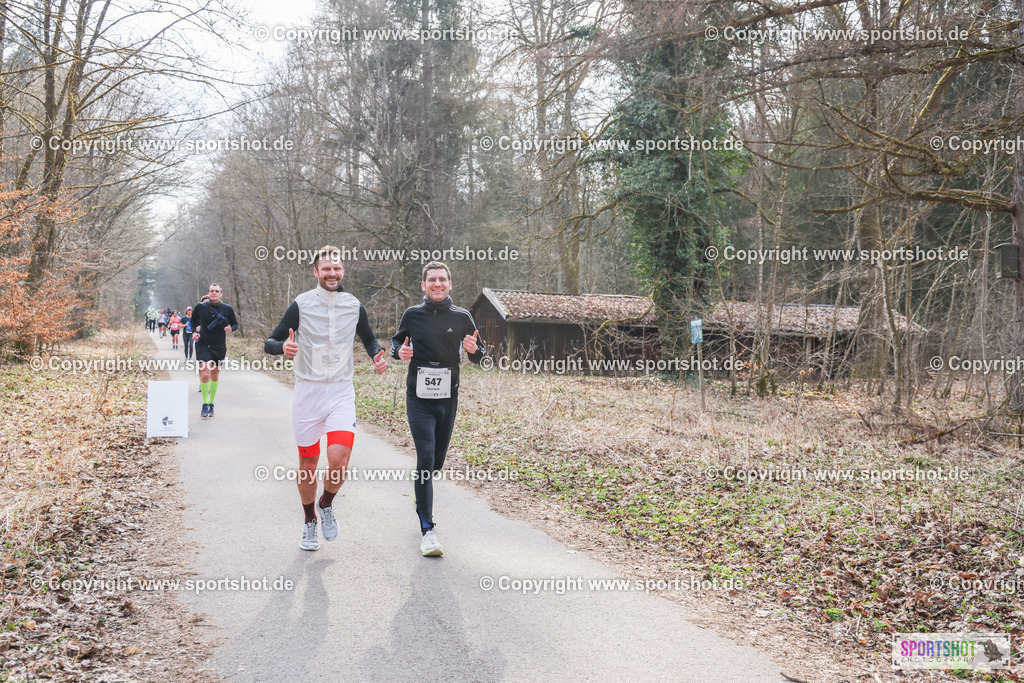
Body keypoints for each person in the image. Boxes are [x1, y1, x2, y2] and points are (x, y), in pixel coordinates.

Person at [264, 246, 388, 551]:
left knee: (339, 460)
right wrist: (283, 348)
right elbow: (270, 341)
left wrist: (376, 355)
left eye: (337, 268)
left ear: (343, 271)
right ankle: (309, 521)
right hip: (308, 391)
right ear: (316, 272)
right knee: (307, 463)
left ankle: (326, 502)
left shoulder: (354, 305)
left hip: (341, 391)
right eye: (326, 269)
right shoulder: (301, 305)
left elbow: (368, 337)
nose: (332, 273)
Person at [391, 261, 484, 556]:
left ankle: (421, 491)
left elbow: (481, 354)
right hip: (418, 399)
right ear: (423, 285)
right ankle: (427, 530)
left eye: (442, 279)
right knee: (426, 456)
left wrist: (475, 351)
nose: (437, 284)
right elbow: (395, 343)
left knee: (436, 464)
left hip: (448, 398)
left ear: (450, 284)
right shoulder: (413, 315)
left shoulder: (463, 317)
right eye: (432, 280)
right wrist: (399, 352)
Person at [190, 284, 239, 418]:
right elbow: (192, 321)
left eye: (217, 291)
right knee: (205, 372)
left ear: (221, 294)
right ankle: (205, 403)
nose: (214, 293)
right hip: (203, 343)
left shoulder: (227, 309)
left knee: (214, 374)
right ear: (209, 293)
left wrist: (231, 329)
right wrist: (194, 332)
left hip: (219, 345)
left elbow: (235, 324)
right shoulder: (200, 307)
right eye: (212, 291)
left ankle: (211, 403)